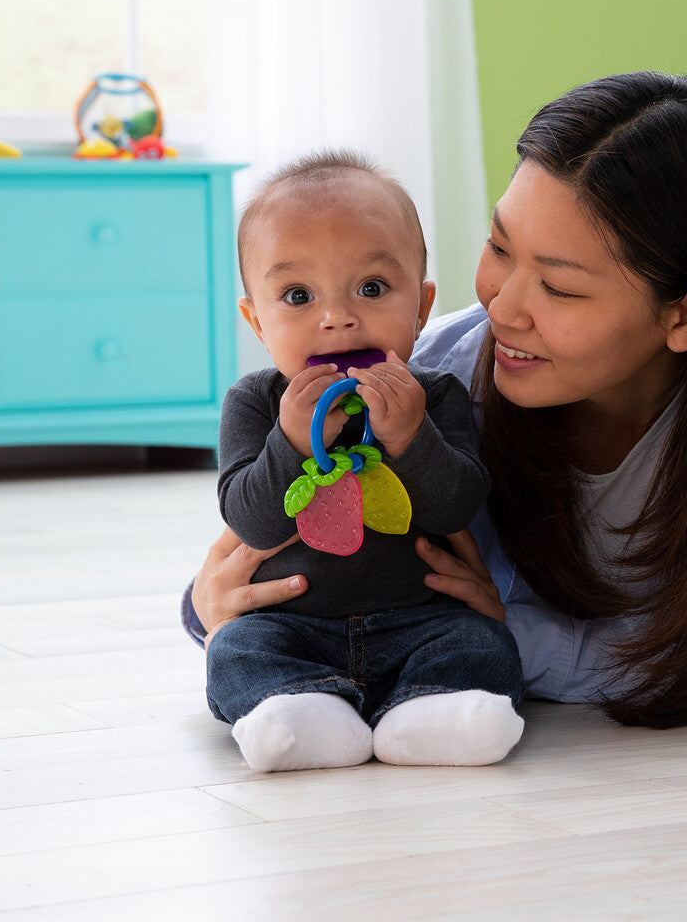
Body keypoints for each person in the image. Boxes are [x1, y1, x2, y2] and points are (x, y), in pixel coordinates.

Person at [186, 72, 687, 731]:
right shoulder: (433, 379)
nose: (501, 308)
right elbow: (298, 560)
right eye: (499, 247)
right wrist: (207, 608)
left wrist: (510, 636)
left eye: (561, 288)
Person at [203, 151, 524, 772]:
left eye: (372, 288)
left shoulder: (435, 397)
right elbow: (252, 520)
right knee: (235, 648)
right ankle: (298, 714)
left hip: (422, 618)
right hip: (291, 626)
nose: (336, 317)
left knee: (484, 642)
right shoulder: (253, 404)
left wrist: (410, 438)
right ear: (257, 322)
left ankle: (436, 714)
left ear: (421, 308)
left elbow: (457, 505)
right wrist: (291, 444)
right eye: (297, 296)